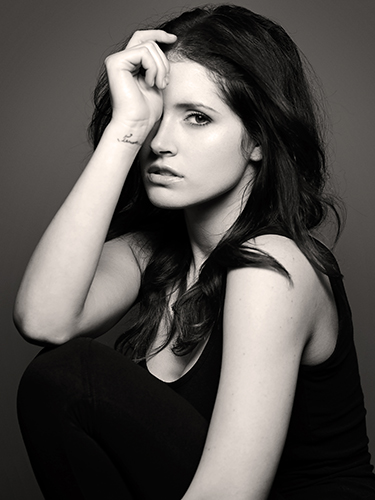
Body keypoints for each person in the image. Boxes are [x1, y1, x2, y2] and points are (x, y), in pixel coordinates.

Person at [14, 4, 375, 499]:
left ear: (259, 141)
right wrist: (126, 128)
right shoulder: (152, 254)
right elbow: (44, 321)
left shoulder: (273, 265)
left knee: (75, 373)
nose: (161, 142)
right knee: (58, 377)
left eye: (198, 118)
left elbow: (229, 492)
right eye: (158, 117)